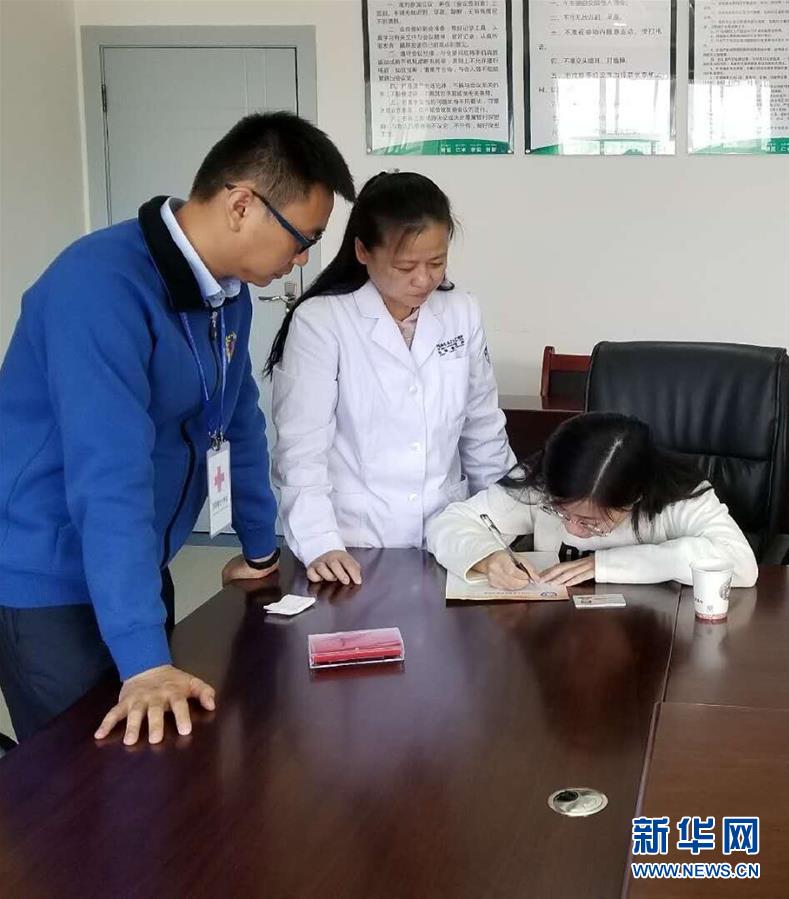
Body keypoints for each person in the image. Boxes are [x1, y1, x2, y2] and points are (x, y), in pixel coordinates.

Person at [0, 112, 354, 745]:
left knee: (161, 765)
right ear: (242, 205)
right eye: (301, 239)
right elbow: (109, 477)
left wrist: (260, 548)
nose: (302, 260)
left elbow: (238, 420)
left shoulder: (227, 292)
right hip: (52, 581)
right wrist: (144, 661)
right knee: (85, 779)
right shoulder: (99, 287)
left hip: (135, 564)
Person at [267, 172, 515, 587]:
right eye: (405, 266)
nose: (424, 279)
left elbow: (483, 431)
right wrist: (320, 542)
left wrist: (510, 521)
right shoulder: (322, 321)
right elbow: (300, 450)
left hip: (450, 537)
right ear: (363, 251)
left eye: (436, 263)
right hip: (353, 545)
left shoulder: (462, 311)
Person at [427, 412, 758, 588]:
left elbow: (742, 566)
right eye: (561, 511)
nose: (573, 530)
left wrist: (605, 564)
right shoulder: (541, 483)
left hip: (655, 638)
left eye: (591, 523)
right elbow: (449, 522)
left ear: (635, 498)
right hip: (553, 633)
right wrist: (487, 558)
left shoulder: (679, 497)